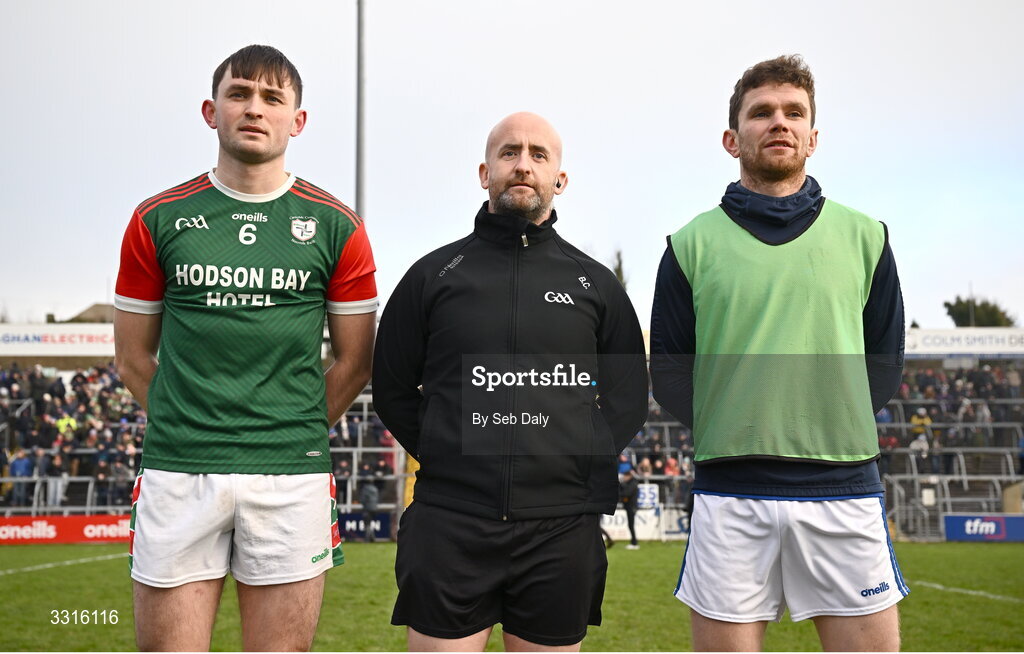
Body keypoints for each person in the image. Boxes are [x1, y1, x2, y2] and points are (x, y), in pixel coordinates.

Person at [113, 44, 377, 652]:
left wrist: (292, 426)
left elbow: (356, 362)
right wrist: (189, 422)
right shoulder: (157, 219)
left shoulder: (337, 225)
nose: (254, 108)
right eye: (239, 94)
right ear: (211, 111)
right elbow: (132, 357)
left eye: (272, 98)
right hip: (179, 469)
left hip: (291, 473)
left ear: (297, 121)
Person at [650, 55, 907, 651]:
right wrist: (741, 423)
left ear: (813, 137)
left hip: (843, 490)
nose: (779, 123)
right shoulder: (688, 245)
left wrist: (817, 418)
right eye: (761, 113)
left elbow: (885, 362)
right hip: (731, 492)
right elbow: (669, 373)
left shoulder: (867, 236)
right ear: (731, 137)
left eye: (794, 113)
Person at [373, 112, 648, 651]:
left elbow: (628, 398)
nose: (523, 164)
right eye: (509, 152)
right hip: (451, 523)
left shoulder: (596, 284)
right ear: (484, 172)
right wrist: (447, 453)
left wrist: (564, 462)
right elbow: (392, 387)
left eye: (539, 155)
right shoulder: (432, 275)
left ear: (559, 180)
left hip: (560, 531)